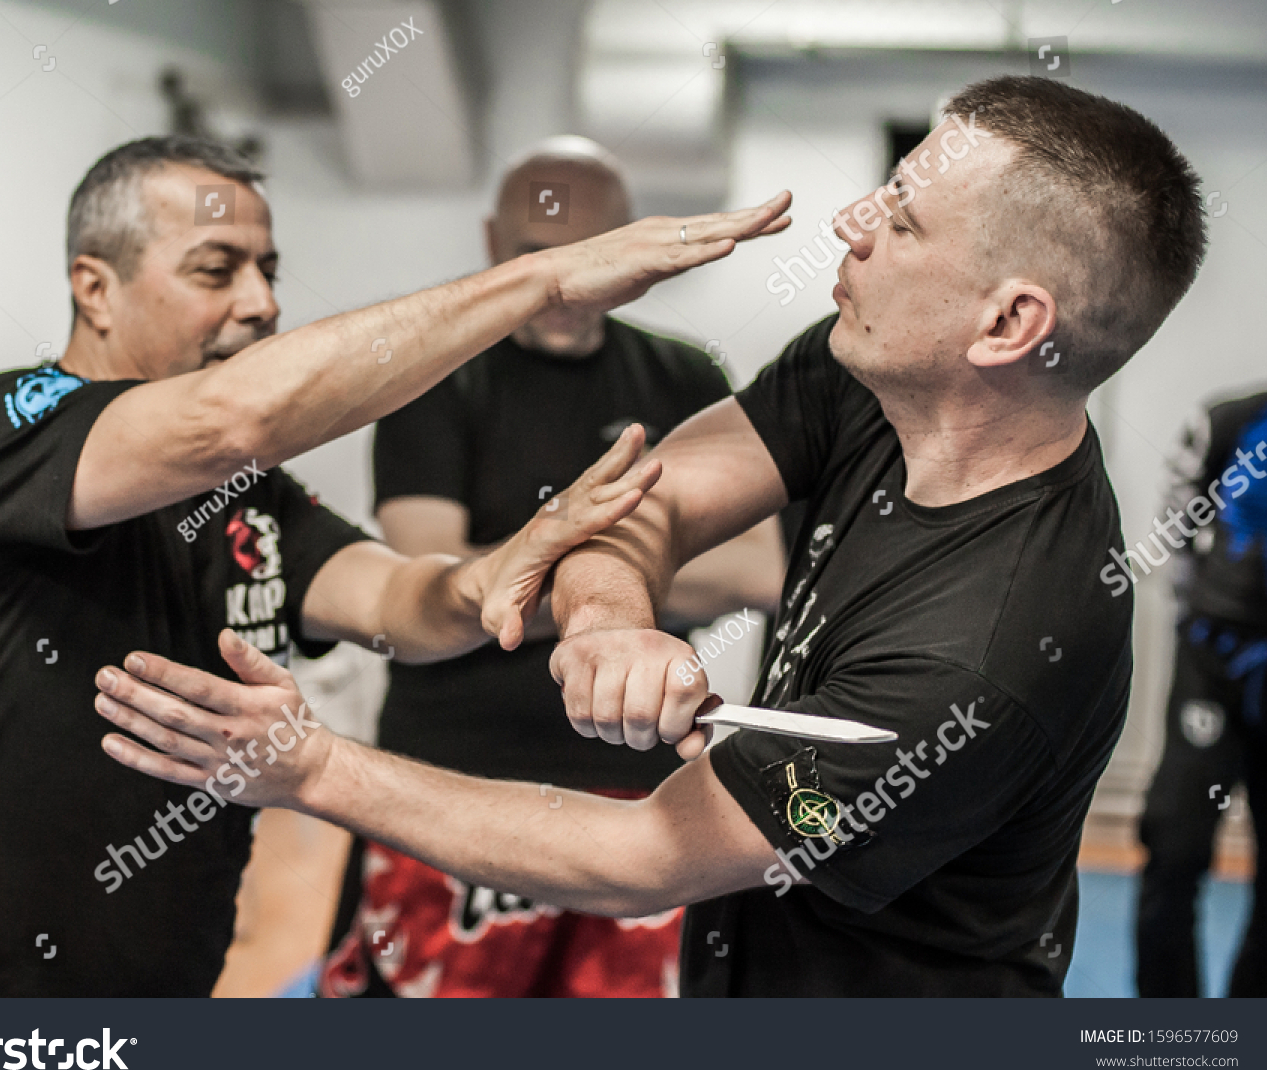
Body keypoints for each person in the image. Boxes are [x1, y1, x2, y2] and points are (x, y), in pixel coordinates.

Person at [93, 76, 1207, 996]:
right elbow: (646, 506)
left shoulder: (985, 654)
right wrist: (611, 621)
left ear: (1008, 324)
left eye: (902, 220)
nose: (853, 224)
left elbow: (643, 855)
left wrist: (312, 765)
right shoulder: (868, 373)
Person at [0, 135, 791, 996]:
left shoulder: (245, 495)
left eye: (268, 269)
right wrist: (544, 279)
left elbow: (399, 598)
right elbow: (234, 416)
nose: (262, 303)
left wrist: (505, 572)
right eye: (216, 270)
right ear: (94, 287)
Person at [320, 138, 783, 998]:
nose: (566, 284)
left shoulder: (684, 375)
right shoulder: (440, 376)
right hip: (452, 771)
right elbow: (426, 585)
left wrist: (526, 570)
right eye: (538, 255)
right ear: (493, 241)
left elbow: (757, 570)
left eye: (589, 255)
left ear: (630, 248)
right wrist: (620, 589)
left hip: (637, 781)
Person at [1134, 388, 1267, 997]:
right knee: (1175, 843)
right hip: (1215, 665)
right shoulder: (1237, 420)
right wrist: (1196, 618)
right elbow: (1176, 528)